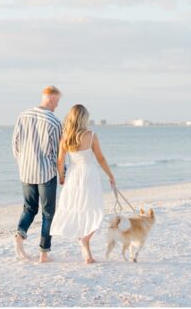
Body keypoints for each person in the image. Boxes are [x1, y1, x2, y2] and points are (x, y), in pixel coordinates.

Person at [50, 104, 116, 263]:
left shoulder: (65, 136)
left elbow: (60, 161)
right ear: (84, 118)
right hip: (89, 175)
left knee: (79, 208)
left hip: (73, 175)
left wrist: (61, 177)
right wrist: (111, 175)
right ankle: (85, 240)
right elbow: (101, 159)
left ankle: (84, 242)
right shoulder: (91, 135)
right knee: (95, 210)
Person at [12, 85, 63, 263]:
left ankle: (20, 235)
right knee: (48, 213)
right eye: (57, 102)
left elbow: (15, 144)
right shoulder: (54, 122)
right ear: (50, 99)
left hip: (25, 171)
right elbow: (58, 153)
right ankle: (44, 253)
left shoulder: (22, 115)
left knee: (29, 208)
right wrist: (62, 173)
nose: (57, 106)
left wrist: (23, 163)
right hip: (46, 173)